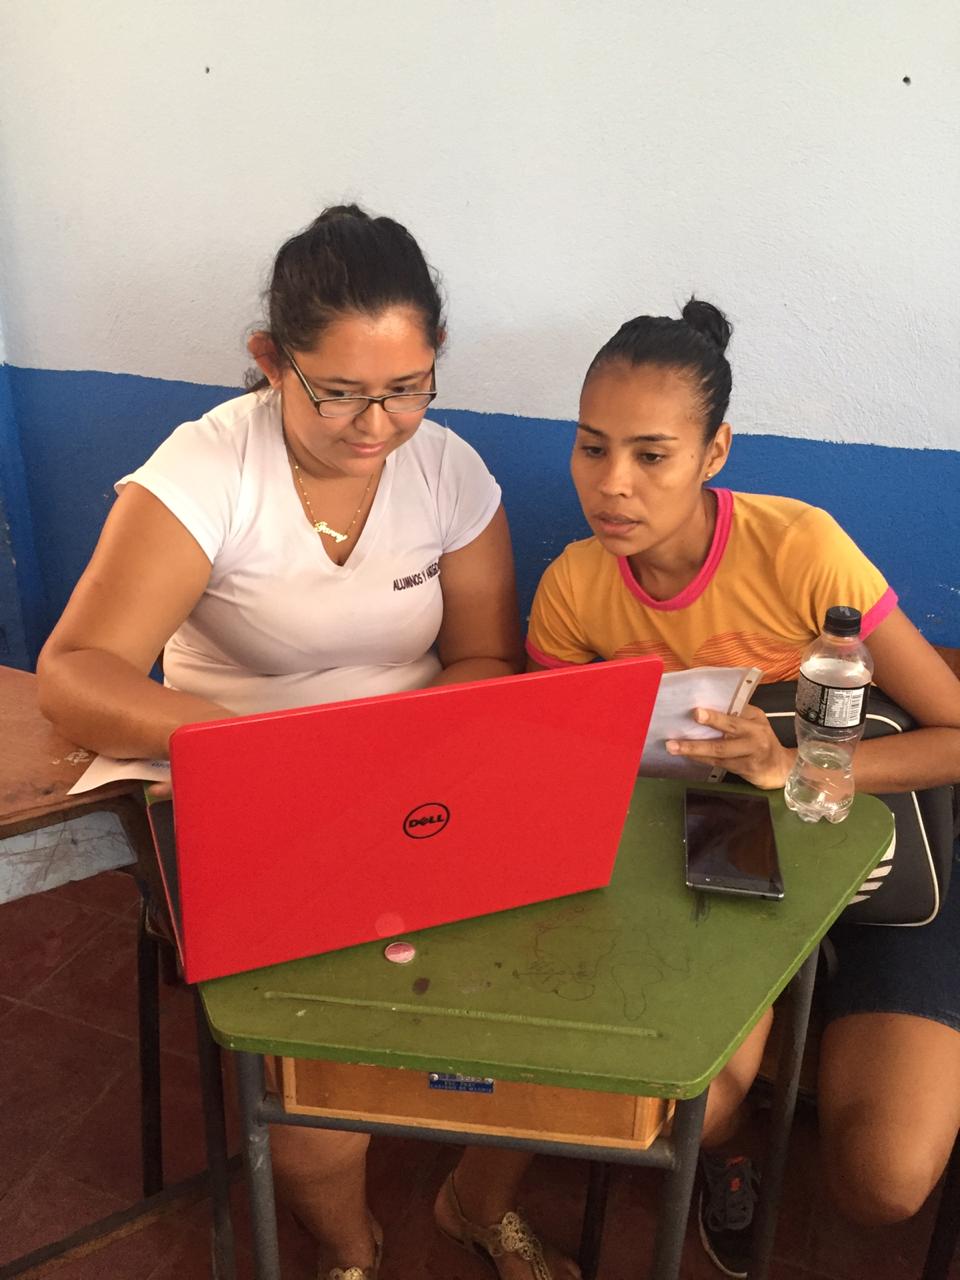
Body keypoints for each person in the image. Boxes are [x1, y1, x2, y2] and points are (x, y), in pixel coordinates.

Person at [38, 205, 579, 1280]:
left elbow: (482, 657)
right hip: (244, 784)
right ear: (269, 358)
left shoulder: (450, 472)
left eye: (408, 388)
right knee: (314, 1075)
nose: (377, 423)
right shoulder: (209, 471)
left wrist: (396, 753)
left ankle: (476, 1201)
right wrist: (258, 749)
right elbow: (77, 671)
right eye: (339, 391)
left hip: (411, 774)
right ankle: (349, 1244)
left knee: (555, 986)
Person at [524, 299, 960, 1277]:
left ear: (714, 451)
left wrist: (797, 764)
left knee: (885, 1180)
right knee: (699, 1103)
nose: (613, 484)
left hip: (881, 868)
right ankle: (731, 1153)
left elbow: (955, 734)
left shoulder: (800, 547)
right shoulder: (573, 590)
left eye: (651, 454)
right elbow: (559, 769)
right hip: (716, 870)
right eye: (591, 448)